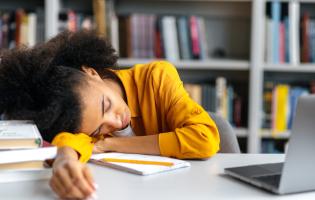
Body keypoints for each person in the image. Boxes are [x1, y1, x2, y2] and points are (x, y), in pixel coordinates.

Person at [0, 31, 220, 199]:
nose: (114, 122)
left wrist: (110, 145)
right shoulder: (82, 121)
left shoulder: (157, 78)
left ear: (93, 73)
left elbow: (204, 139)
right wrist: (63, 162)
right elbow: (71, 142)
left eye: (106, 105)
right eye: (98, 130)